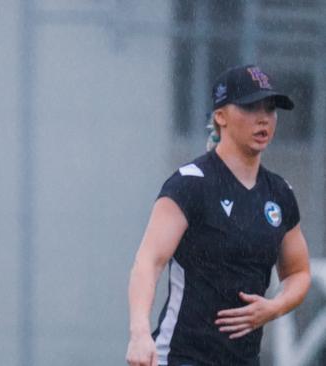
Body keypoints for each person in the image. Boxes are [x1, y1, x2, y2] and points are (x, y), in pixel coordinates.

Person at [125, 65, 311, 366]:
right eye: (250, 107)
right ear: (220, 116)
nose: (264, 118)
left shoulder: (280, 193)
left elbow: (298, 273)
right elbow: (148, 261)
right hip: (180, 356)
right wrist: (139, 333)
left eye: (270, 108)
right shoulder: (190, 184)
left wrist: (274, 307)